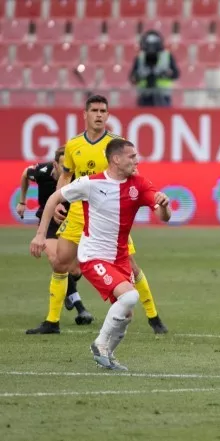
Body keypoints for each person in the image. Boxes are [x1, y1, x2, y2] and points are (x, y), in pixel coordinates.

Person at [25, 94, 168, 335]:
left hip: (109, 217)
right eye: (95, 111)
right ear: (85, 114)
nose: (99, 115)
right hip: (79, 213)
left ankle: (154, 317)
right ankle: (52, 321)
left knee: (131, 266)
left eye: (103, 111)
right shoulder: (73, 145)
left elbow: (133, 174)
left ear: (108, 115)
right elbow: (66, 175)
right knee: (60, 263)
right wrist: (61, 201)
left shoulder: (117, 144)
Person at [29, 139, 172, 371]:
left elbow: (164, 217)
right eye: (132, 156)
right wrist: (40, 235)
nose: (137, 160)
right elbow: (55, 198)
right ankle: (99, 344)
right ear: (116, 159)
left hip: (120, 258)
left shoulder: (140, 184)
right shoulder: (91, 184)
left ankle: (108, 355)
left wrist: (164, 205)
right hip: (93, 255)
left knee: (126, 315)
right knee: (130, 296)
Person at [18, 147, 93, 332]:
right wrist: (22, 201)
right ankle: (74, 309)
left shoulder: (76, 178)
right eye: (62, 166)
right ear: (55, 164)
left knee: (74, 271)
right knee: (57, 262)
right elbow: (24, 173)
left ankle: (69, 294)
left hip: (71, 223)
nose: (66, 169)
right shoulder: (42, 172)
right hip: (49, 224)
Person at [129, 30, 179, 107]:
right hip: (144, 96)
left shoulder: (167, 56)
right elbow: (132, 78)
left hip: (163, 96)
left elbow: (176, 74)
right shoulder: (140, 57)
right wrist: (139, 76)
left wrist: (165, 74)